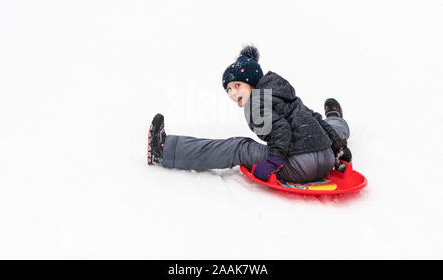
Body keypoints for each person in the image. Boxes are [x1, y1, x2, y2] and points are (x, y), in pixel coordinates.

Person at [147, 46, 352, 183]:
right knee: (323, 123)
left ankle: (165, 150)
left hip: (299, 167)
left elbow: (281, 130)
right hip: (326, 159)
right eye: (228, 89)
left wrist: (273, 161)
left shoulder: (254, 104)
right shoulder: (285, 94)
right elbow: (314, 119)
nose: (233, 92)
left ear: (253, 82)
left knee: (238, 146)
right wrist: (339, 148)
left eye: (237, 85)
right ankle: (335, 117)